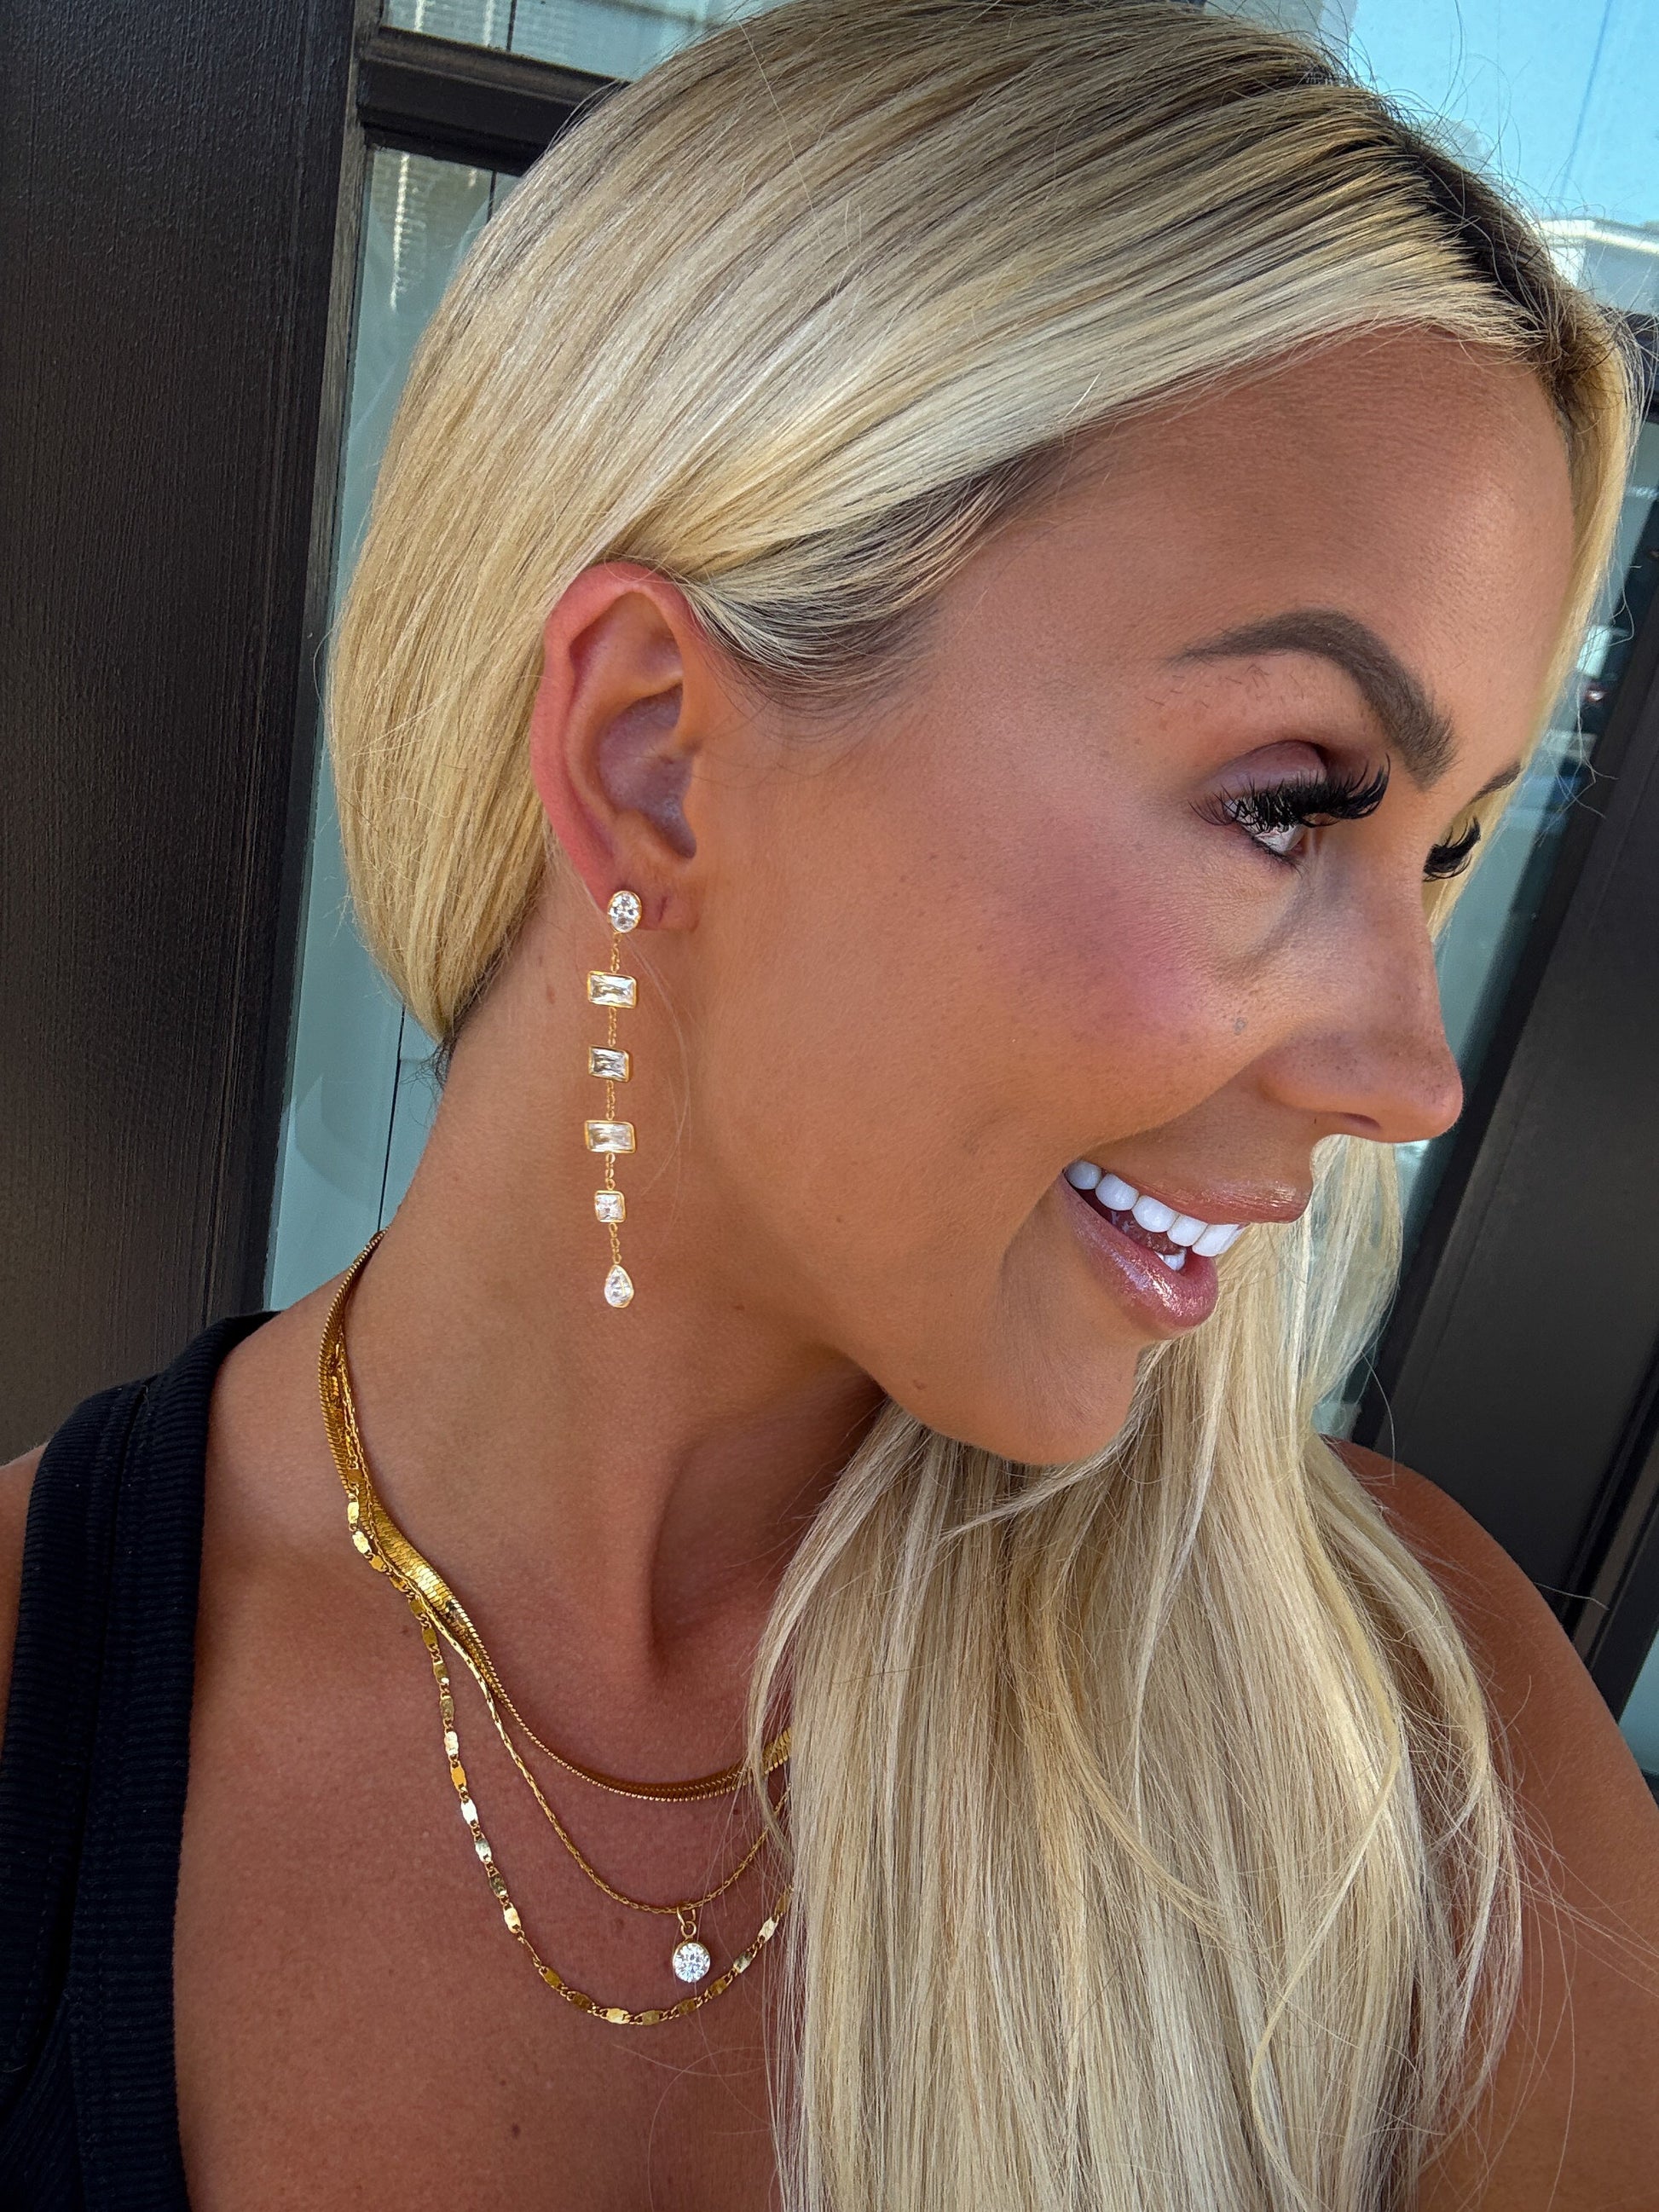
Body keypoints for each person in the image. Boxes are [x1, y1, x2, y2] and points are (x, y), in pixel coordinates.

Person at [3, 0, 1656, 2204]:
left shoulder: (1430, 1761)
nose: (1410, 1080)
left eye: (1438, 853)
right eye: (1288, 803)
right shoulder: (33, 1687)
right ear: (652, 758)